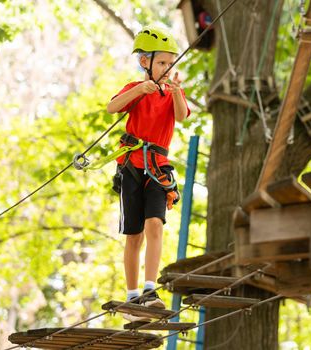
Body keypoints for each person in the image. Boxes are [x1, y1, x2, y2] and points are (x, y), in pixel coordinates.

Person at [107, 26, 190, 321]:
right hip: (131, 166)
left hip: (158, 167)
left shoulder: (171, 94)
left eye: (170, 63)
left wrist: (177, 93)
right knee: (134, 234)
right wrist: (140, 90)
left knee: (155, 224)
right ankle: (132, 297)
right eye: (161, 63)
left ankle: (149, 289)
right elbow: (111, 108)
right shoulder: (135, 88)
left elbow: (181, 116)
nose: (167, 69)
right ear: (145, 62)